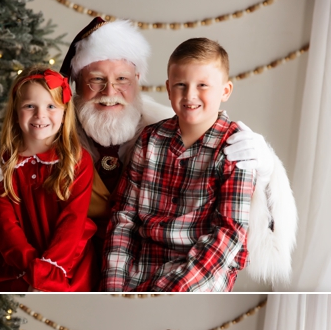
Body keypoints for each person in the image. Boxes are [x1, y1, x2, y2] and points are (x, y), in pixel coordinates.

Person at [0, 18, 296, 290]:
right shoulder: (47, 134)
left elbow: (232, 232)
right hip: (75, 276)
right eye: (96, 80)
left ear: (138, 81)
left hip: (173, 276)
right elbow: (14, 215)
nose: (110, 92)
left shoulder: (170, 129)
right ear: (75, 87)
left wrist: (265, 165)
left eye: (122, 79)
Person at [102, 38, 255, 291]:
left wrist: (173, 288)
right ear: (169, 89)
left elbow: (229, 234)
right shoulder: (150, 139)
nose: (190, 95)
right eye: (180, 85)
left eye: (203, 85)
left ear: (225, 91)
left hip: (201, 272)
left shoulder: (235, 148)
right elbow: (124, 217)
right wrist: (114, 283)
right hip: (142, 267)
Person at [0, 67, 98, 291]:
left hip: (68, 261)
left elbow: (72, 221)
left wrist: (49, 269)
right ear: (16, 112)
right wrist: (32, 269)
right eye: (30, 106)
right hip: (20, 263)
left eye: (51, 106)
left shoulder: (78, 160)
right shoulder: (1, 163)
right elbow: (5, 224)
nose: (40, 115)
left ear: (64, 112)